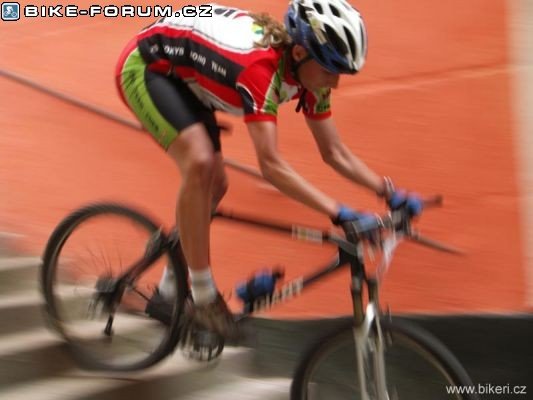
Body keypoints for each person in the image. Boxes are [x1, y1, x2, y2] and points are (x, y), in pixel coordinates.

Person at [115, 0, 423, 339]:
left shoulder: (310, 73)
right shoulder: (260, 70)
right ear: (299, 53)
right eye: (329, 71)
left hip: (192, 80)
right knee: (200, 164)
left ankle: (168, 292)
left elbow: (333, 151)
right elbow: (271, 165)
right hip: (146, 68)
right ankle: (203, 297)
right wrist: (339, 212)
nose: (334, 84)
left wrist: (388, 192)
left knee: (215, 186)